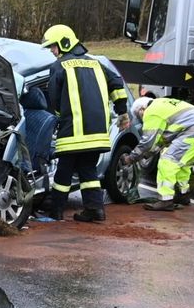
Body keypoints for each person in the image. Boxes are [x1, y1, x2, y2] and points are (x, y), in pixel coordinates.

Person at [40, 24, 130, 222]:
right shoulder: (96, 64)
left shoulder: (59, 66)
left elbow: (54, 100)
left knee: (63, 173)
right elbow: (117, 84)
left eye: (53, 46)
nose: (52, 51)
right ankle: (94, 209)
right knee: (88, 171)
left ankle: (56, 211)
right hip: (97, 134)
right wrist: (122, 112)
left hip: (72, 133)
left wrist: (58, 117)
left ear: (64, 43)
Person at [121, 96, 194, 211]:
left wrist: (131, 158)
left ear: (142, 109)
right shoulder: (161, 104)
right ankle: (183, 195)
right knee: (183, 164)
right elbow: (161, 140)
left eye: (139, 116)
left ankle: (165, 200)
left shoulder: (151, 112)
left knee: (167, 161)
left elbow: (147, 142)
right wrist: (146, 155)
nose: (142, 119)